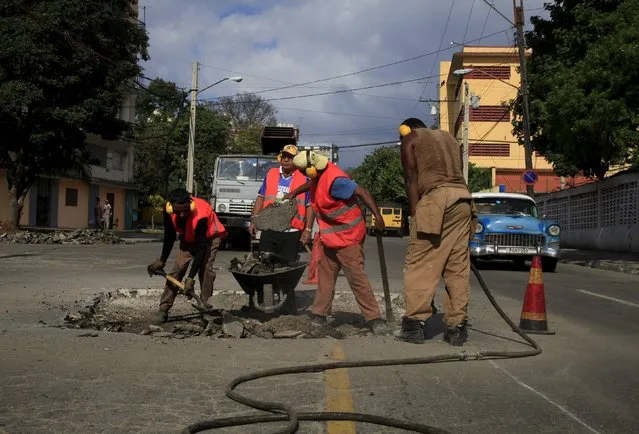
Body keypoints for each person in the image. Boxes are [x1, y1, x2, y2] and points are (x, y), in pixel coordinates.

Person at [286, 150, 389, 334]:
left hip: (348, 237)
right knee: (325, 276)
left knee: (356, 278)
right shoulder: (318, 175)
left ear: (310, 170)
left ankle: (374, 319)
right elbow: (312, 184)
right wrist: (294, 192)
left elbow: (363, 192)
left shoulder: (336, 181)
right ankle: (319, 314)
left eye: (301, 171)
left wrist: (378, 217)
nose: (301, 174)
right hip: (330, 238)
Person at [395, 117, 475, 346]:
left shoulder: (410, 139)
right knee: (457, 266)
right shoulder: (449, 138)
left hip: (435, 199)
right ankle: (456, 327)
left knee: (420, 263)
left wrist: (414, 214)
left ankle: (414, 324)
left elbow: (411, 178)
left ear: (406, 130)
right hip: (463, 200)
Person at [147, 188, 227, 324]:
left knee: (205, 270)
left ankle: (205, 308)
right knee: (177, 270)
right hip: (188, 238)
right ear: (171, 207)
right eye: (178, 212)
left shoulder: (200, 214)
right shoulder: (168, 211)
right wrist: (162, 260)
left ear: (190, 204)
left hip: (210, 238)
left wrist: (190, 278)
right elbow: (170, 236)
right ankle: (163, 310)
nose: (182, 214)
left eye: (185, 210)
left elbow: (201, 249)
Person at [248, 144, 314, 262]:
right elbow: (260, 198)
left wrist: (308, 229)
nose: (286, 159)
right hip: (269, 230)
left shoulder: (304, 179)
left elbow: (310, 206)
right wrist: (254, 220)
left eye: (290, 156)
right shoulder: (271, 174)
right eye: (284, 156)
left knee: (285, 268)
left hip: (292, 233)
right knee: (265, 266)